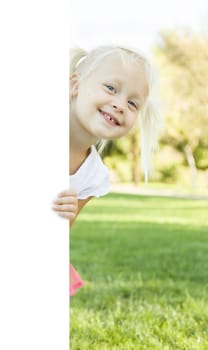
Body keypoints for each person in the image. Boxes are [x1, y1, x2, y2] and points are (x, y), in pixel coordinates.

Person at [52, 45, 161, 296]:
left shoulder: (94, 174)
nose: (120, 105)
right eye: (111, 88)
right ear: (75, 85)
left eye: (133, 103)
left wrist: (64, 216)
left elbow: (62, 232)